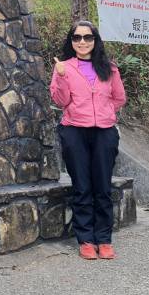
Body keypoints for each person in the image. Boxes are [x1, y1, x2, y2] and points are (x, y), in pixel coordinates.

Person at [50, 20, 126, 260]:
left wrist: (106, 114)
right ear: (71, 41)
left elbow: (119, 97)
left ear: (95, 40)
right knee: (82, 185)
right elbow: (61, 102)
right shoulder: (64, 67)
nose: (82, 42)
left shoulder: (109, 67)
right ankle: (85, 239)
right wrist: (61, 77)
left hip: (104, 131)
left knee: (102, 186)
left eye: (87, 37)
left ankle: (104, 239)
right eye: (77, 37)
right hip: (74, 130)